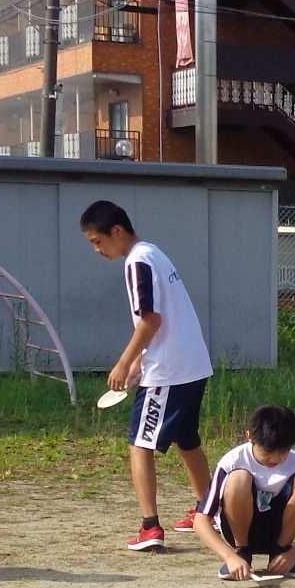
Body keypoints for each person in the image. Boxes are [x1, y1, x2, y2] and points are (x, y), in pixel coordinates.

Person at [80, 200, 213, 552]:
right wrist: (140, 358)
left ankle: (150, 527)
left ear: (117, 232)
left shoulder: (136, 261)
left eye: (97, 241)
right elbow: (163, 318)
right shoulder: (154, 253)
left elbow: (151, 319)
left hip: (169, 371)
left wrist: (124, 362)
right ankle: (209, 511)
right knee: (187, 439)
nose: (97, 250)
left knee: (140, 444)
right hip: (193, 363)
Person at [196, 403, 295, 582]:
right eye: (267, 452)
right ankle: (242, 553)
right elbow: (200, 519)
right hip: (239, 532)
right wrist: (229, 556)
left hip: (280, 532)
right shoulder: (232, 462)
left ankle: (281, 552)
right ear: (249, 437)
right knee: (239, 479)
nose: (275, 459)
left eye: (283, 452)